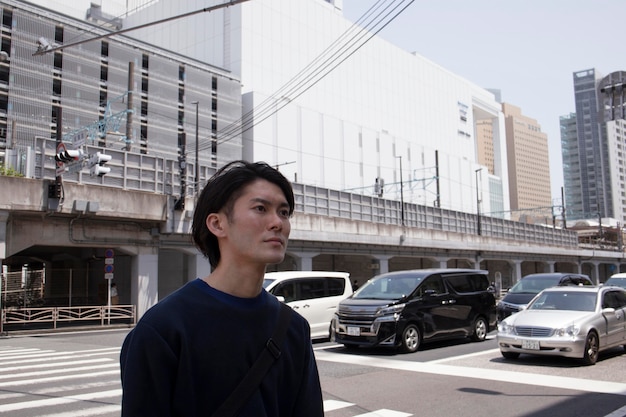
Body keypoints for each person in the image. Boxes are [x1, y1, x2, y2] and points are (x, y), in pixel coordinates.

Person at [119, 160, 324, 417]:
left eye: (283, 212)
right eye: (260, 208)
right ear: (217, 224)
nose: (278, 223)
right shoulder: (164, 329)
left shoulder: (294, 328)